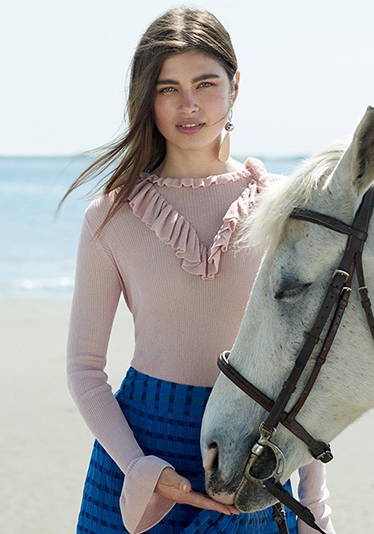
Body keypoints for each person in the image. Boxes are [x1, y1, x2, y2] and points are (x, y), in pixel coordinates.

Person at [64, 6, 335, 534]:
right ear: (147, 97)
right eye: (167, 88)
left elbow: (309, 368)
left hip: (251, 460)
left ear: (235, 87)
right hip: (138, 459)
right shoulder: (109, 216)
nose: (188, 106)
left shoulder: (286, 209)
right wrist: (138, 467)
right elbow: (83, 368)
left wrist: (314, 504)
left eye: (204, 84)